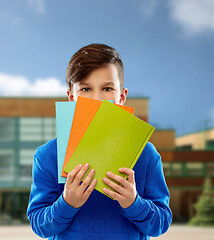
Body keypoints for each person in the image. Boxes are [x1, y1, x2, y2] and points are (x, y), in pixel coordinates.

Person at [27, 43, 172, 239]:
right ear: (71, 97)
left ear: (122, 97)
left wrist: (133, 202)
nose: (97, 99)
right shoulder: (48, 155)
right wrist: (67, 203)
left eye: (107, 88)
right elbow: (39, 225)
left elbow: (160, 224)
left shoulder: (145, 153)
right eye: (85, 88)